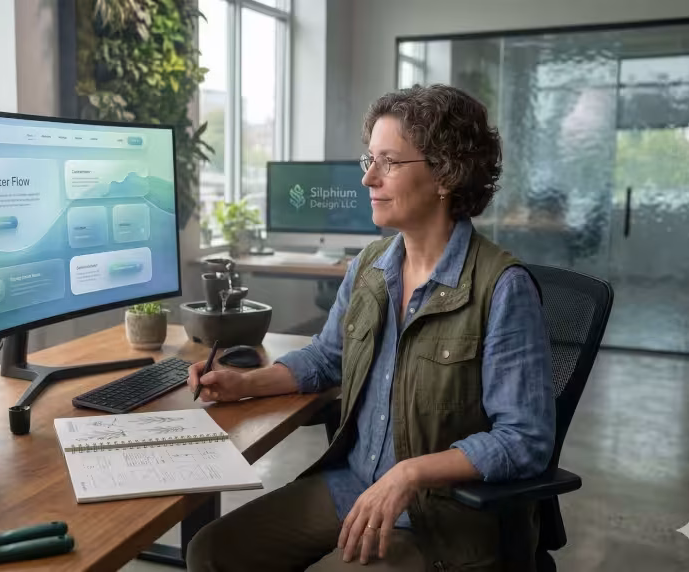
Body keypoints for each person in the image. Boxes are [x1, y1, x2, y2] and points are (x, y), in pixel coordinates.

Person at [185, 84, 555, 572]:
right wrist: (243, 383)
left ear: (446, 173)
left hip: (440, 516)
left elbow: (525, 440)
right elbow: (326, 358)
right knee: (211, 553)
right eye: (370, 159)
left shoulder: (503, 288)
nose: (368, 178)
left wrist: (410, 474)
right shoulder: (370, 266)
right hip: (353, 483)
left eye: (389, 162)